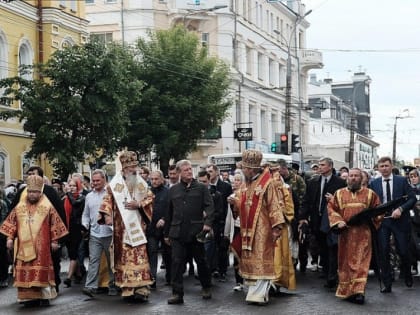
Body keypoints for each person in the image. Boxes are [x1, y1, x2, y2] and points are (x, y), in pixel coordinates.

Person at [0, 175, 68, 307]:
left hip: (41, 248)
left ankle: (43, 297)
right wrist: (9, 238)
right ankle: (27, 298)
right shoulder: (20, 206)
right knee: (25, 272)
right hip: (22, 248)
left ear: (40, 192)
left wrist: (55, 241)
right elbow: (12, 223)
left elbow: (55, 224)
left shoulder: (47, 206)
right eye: (30, 192)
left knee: (41, 272)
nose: (32, 195)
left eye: (35, 192)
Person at [230, 150, 286, 305]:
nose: (243, 171)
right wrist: (234, 202)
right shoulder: (246, 184)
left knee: (261, 260)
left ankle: (259, 294)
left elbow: (274, 205)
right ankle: (260, 291)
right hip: (246, 229)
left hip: (264, 229)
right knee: (250, 260)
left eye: (245, 169)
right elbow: (242, 202)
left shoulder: (267, 183)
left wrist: (276, 227)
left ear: (252, 169)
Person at [98, 151, 153, 302]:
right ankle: (127, 289)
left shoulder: (140, 183)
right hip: (121, 229)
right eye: (131, 168)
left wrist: (139, 204)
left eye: (135, 167)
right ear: (124, 169)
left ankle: (141, 288)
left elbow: (149, 198)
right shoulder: (114, 184)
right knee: (124, 258)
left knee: (139, 256)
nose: (134, 170)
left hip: (138, 228)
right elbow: (106, 201)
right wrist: (107, 215)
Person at [328, 168, 381, 304]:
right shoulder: (339, 194)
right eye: (351, 176)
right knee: (345, 263)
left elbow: (378, 210)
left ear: (361, 178)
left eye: (356, 176)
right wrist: (338, 222)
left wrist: (372, 218)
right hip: (346, 234)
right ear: (347, 178)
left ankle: (358, 292)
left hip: (363, 235)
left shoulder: (370, 194)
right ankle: (347, 291)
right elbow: (332, 209)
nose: (353, 178)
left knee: (361, 264)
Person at [165, 159, 214, 304]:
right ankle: (177, 293)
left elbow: (210, 207)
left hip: (196, 231)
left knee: (201, 261)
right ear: (179, 172)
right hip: (178, 232)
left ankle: (206, 286)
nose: (189, 172)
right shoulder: (173, 190)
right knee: (177, 262)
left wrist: (208, 223)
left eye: (190, 169)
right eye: (185, 170)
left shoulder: (201, 188)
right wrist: (166, 233)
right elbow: (169, 213)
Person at [370, 156, 416, 293]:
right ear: (378, 168)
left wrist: (401, 209)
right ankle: (387, 283)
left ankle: (407, 272)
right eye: (381, 166)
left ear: (391, 166)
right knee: (383, 251)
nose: (384, 168)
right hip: (383, 221)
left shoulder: (401, 181)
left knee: (402, 250)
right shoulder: (374, 183)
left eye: (386, 166)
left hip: (400, 221)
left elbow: (412, 198)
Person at [299, 157, 346, 288]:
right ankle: (326, 270)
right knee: (322, 246)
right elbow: (306, 201)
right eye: (319, 165)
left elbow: (345, 201)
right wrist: (303, 217)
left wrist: (334, 199)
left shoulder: (340, 183)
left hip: (332, 220)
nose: (319, 167)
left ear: (330, 166)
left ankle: (332, 275)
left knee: (332, 246)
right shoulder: (312, 181)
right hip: (316, 219)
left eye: (323, 165)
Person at [81, 169, 116, 298]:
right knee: (93, 260)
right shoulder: (89, 196)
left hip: (109, 233)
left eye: (98, 180)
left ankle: (113, 285)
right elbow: (86, 214)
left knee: (111, 261)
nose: (95, 183)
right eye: (93, 181)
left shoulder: (111, 194)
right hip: (95, 234)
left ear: (104, 180)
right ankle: (91, 287)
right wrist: (84, 225)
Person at [206, 164, 233, 280]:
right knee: (209, 246)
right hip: (210, 221)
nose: (209, 174)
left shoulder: (225, 187)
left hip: (221, 220)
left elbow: (228, 205)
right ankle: (211, 268)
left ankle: (222, 270)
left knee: (222, 246)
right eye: (207, 171)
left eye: (211, 171)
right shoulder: (205, 187)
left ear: (217, 172)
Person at [147, 170, 171, 287]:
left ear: (162, 179)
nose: (154, 181)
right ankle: (152, 278)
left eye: (156, 179)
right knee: (152, 252)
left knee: (167, 253)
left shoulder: (168, 192)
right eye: (152, 179)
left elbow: (171, 209)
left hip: (165, 229)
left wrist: (164, 219)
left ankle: (170, 277)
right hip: (151, 228)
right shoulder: (147, 192)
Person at [62, 177, 86, 288]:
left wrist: (68, 194)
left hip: (77, 229)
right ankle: (79, 273)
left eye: (74, 186)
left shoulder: (82, 198)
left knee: (73, 253)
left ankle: (68, 277)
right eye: (70, 185)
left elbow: (75, 204)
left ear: (78, 186)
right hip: (66, 229)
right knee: (73, 253)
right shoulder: (64, 199)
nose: (71, 188)